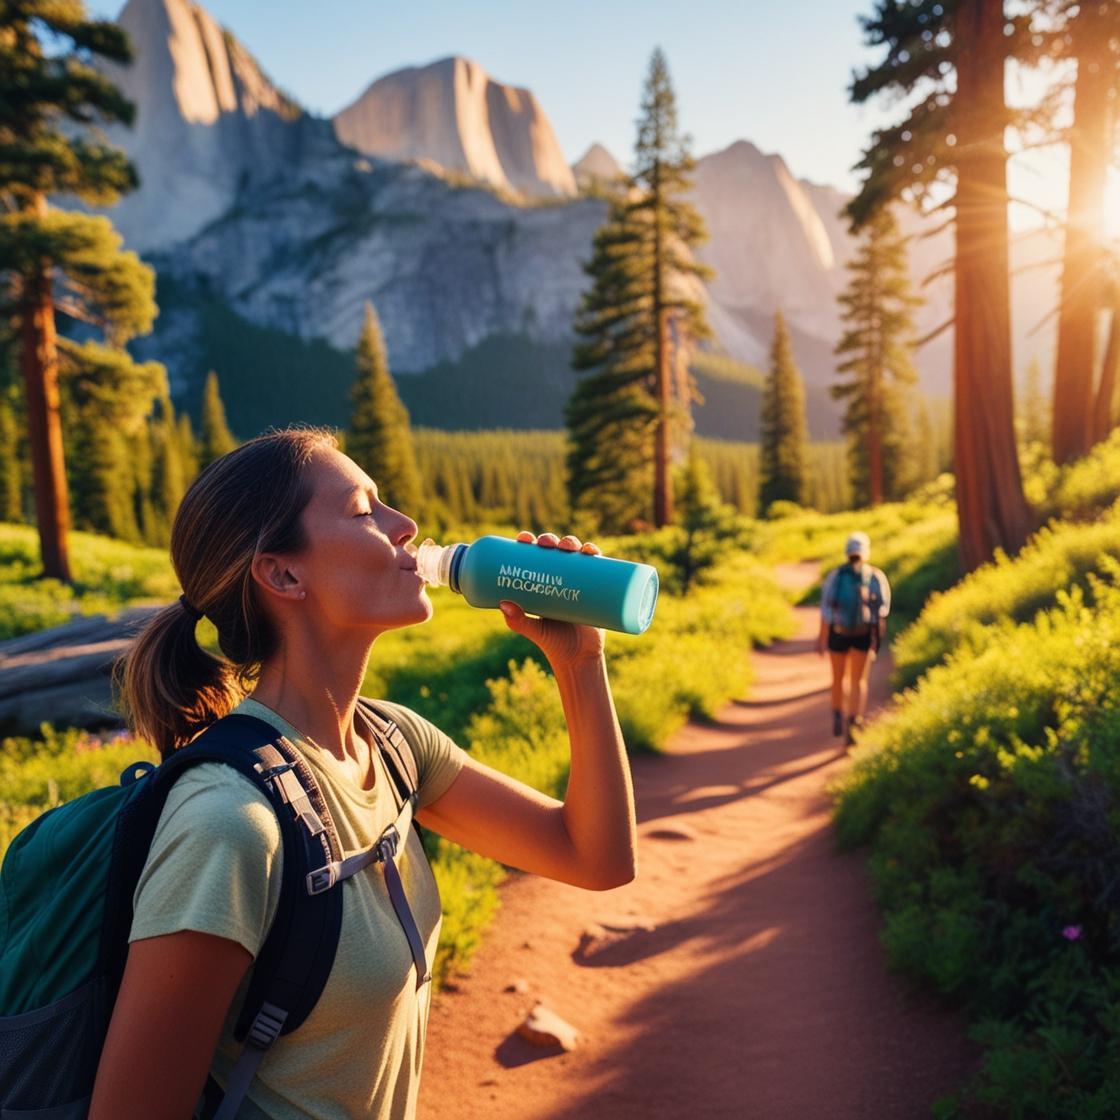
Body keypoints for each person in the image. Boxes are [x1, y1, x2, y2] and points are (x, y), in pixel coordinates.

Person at [91, 428, 636, 1120]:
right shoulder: (228, 824)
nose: (406, 527)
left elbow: (595, 857)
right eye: (363, 510)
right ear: (283, 574)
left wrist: (580, 664)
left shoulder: (395, 742)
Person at [815, 531, 891, 747]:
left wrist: (822, 638)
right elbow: (882, 611)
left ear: (847, 552)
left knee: (838, 678)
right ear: (865, 552)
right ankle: (854, 721)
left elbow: (826, 608)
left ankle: (838, 713)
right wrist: (877, 639)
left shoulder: (836, 576)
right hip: (863, 634)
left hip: (838, 633)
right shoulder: (876, 576)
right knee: (859, 680)